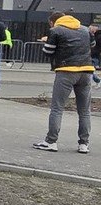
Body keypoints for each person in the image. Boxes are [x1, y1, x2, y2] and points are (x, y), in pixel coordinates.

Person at [33, 11, 93, 154]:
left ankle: (51, 141)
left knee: (57, 108)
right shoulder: (84, 29)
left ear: (53, 22)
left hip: (66, 70)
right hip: (86, 71)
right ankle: (83, 144)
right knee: (84, 110)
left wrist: (46, 41)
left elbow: (48, 52)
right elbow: (93, 44)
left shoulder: (56, 31)